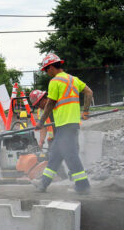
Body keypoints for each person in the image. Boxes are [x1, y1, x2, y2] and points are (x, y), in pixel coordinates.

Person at [32, 53, 93, 194]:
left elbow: (50, 103)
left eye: (46, 70)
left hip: (64, 125)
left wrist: (41, 122)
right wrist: (86, 112)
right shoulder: (73, 79)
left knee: (71, 156)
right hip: (70, 125)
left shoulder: (55, 81)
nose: (47, 73)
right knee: (55, 155)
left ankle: (83, 186)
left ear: (52, 67)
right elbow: (89, 92)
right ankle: (43, 184)